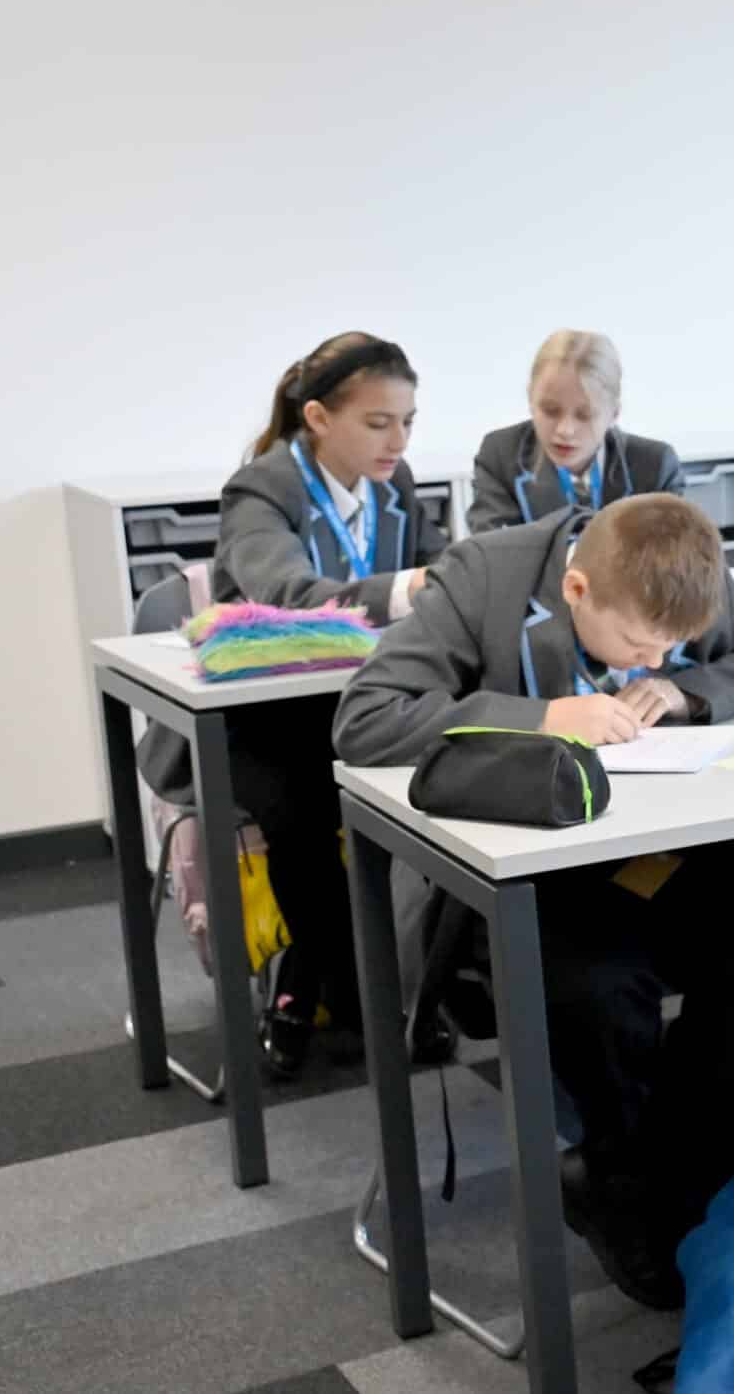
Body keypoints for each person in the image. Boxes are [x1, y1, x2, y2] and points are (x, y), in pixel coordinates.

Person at [333, 494, 734, 1308]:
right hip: (539, 869)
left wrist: (687, 688)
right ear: (577, 588)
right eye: (635, 641)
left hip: (670, 848)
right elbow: (366, 718)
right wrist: (546, 717)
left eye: (674, 641)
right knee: (600, 986)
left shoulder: (680, 576)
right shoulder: (482, 576)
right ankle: (636, 1183)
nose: (649, 655)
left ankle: (635, 1191)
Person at [211, 330, 445, 1075]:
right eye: (379, 423)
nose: (398, 440)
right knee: (304, 814)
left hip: (359, 699)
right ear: (317, 416)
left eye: (408, 421)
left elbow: (444, 570)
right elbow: (285, 597)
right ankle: (354, 994)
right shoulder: (263, 490)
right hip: (268, 717)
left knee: (438, 786)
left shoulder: (394, 485)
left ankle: (330, 983)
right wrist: (408, 590)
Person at [466, 328, 682, 532]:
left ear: (613, 413)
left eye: (584, 415)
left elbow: (668, 563)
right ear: (531, 399)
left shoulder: (656, 467)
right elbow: (491, 558)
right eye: (550, 411)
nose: (565, 430)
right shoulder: (500, 456)